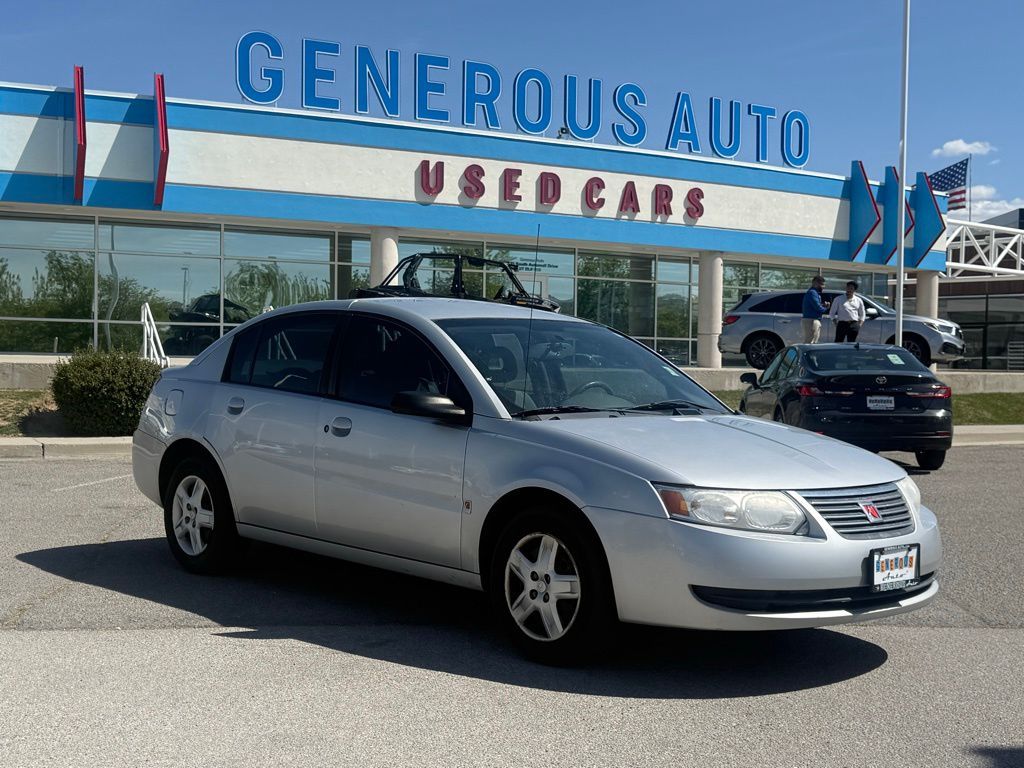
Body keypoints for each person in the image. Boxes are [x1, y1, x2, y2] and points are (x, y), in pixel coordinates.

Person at [801, 276, 829, 343]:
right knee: (811, 343)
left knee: (812, 342)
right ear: (815, 283)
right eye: (822, 284)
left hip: (812, 320)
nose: (823, 286)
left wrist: (823, 306)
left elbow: (815, 306)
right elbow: (818, 308)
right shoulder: (812, 292)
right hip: (812, 320)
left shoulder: (814, 293)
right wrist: (826, 308)